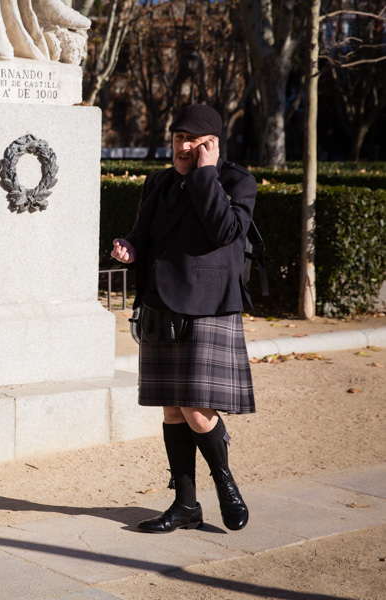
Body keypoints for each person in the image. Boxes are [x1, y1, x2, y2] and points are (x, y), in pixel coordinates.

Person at [111, 104, 255, 533]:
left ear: (211, 144)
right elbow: (143, 234)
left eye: (193, 140)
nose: (183, 146)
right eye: (178, 138)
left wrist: (205, 174)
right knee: (172, 409)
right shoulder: (158, 182)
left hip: (209, 304)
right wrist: (130, 248)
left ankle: (225, 482)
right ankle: (185, 505)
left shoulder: (235, 180)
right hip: (161, 304)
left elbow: (225, 231)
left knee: (196, 410)